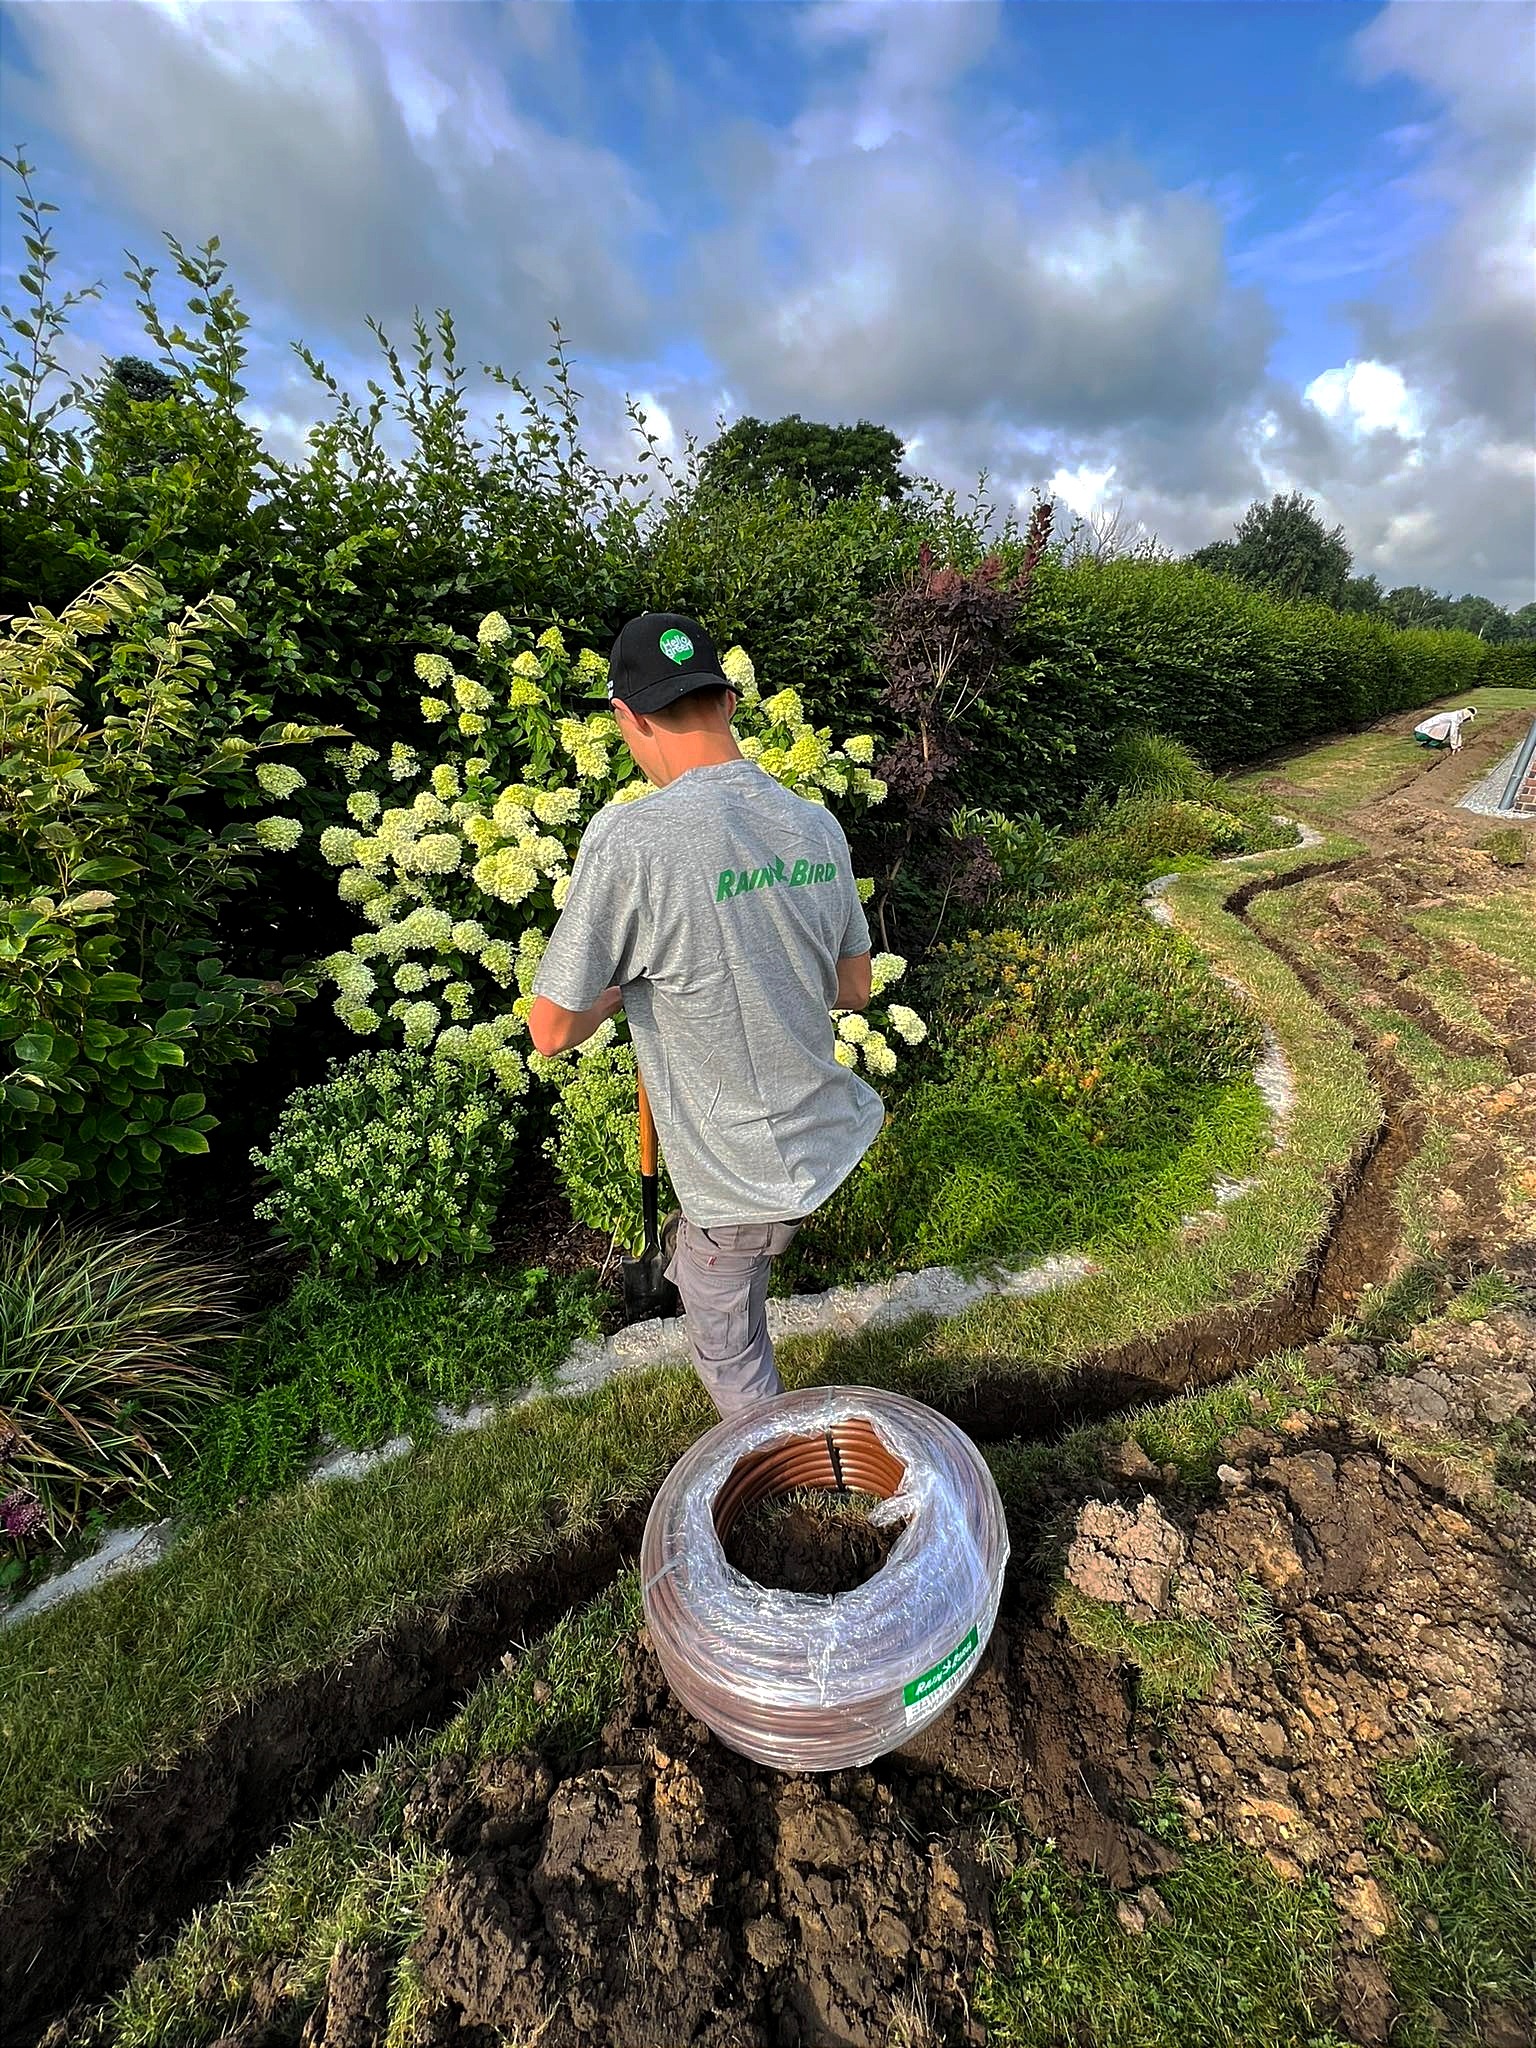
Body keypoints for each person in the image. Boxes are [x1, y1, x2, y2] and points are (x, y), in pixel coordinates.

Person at [527, 611, 885, 1418]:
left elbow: (550, 1032)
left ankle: (784, 1471)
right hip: (822, 1138)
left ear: (626, 718)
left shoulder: (632, 840)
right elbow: (855, 987)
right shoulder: (814, 823)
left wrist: (624, 992)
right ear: (726, 701)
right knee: (734, 1260)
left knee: (728, 1348)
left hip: (736, 1178)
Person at [1413, 706, 1477, 753]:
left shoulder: (1457, 715)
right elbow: (1453, 733)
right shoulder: (1455, 718)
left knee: (1445, 732)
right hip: (1421, 733)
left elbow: (1458, 732)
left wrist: (1459, 745)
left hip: (1421, 732)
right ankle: (1430, 746)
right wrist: (1454, 747)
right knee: (1446, 733)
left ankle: (1427, 745)